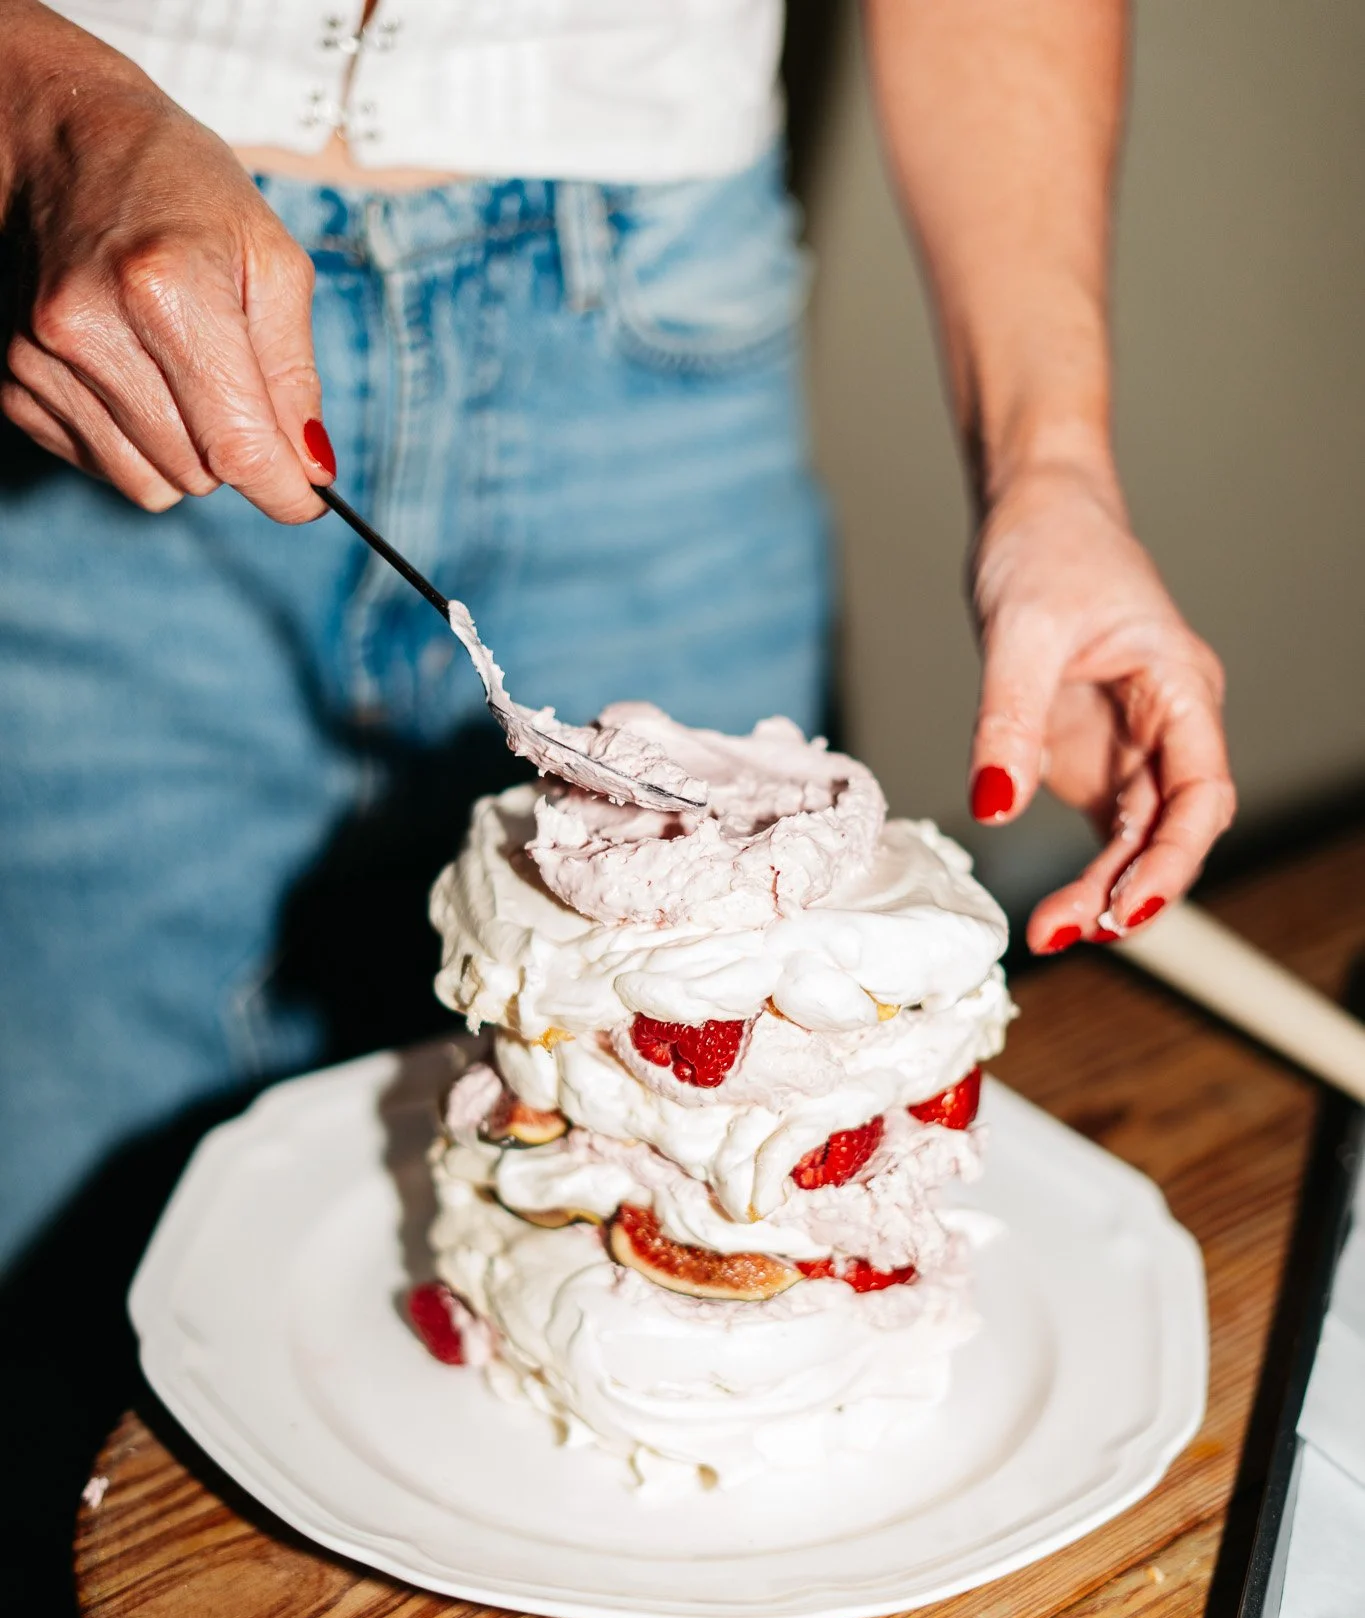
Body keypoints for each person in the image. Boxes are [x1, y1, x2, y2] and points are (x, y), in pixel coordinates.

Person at [0, 0, 1235, 1277]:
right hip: (86, 308)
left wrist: (1057, 479)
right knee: (76, 1270)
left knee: (748, 1189)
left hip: (656, 330)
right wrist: (40, 106)